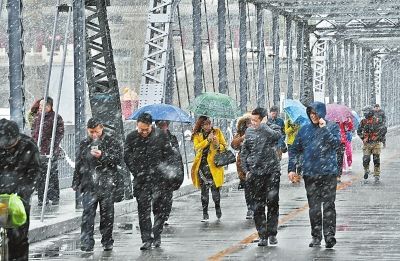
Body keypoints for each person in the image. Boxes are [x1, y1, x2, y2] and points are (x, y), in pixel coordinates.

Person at [288, 101, 340, 249]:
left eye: (316, 113)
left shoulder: (332, 127)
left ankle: (329, 236)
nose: (313, 116)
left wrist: (324, 130)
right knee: (314, 207)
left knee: (329, 205)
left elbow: (336, 145)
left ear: (322, 113)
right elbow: (294, 149)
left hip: (328, 173)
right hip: (311, 174)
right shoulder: (304, 130)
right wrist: (292, 168)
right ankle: (316, 236)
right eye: (310, 113)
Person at [124, 113, 175, 250]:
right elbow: (127, 156)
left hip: (159, 180)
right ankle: (146, 239)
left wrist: (165, 171)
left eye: (146, 129)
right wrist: (136, 170)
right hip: (141, 179)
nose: (144, 132)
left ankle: (157, 234)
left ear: (151, 126)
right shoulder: (131, 137)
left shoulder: (161, 136)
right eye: (141, 130)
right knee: (143, 210)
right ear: (137, 126)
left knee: (160, 209)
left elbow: (169, 156)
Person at [72, 118, 122, 252]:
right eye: (91, 132)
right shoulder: (84, 143)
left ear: (101, 129)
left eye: (96, 131)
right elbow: (79, 163)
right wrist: (76, 181)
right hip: (89, 183)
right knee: (87, 214)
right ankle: (87, 242)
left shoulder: (111, 142)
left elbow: (117, 159)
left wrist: (103, 156)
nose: (94, 134)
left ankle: (107, 240)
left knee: (107, 215)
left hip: (106, 183)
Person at [240, 107, 281, 247]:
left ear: (263, 119)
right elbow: (244, 151)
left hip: (272, 172)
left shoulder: (272, 128)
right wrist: (246, 170)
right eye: (252, 120)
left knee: (273, 203)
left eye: (256, 120)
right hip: (256, 173)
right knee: (258, 205)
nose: (253, 123)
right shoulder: (249, 131)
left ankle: (272, 233)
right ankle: (262, 235)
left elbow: (277, 137)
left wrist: (264, 126)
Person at [0, 118, 41, 260]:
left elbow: (34, 172)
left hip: (19, 198)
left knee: (19, 236)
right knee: (3, 232)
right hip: (1, 196)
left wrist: (22, 192)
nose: (7, 146)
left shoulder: (28, 146)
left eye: (10, 143)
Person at [191, 116, 227, 222]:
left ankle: (217, 206)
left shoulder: (217, 132)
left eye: (209, 124)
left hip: (214, 166)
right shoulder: (197, 135)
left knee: (215, 190)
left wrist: (217, 144)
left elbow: (224, 146)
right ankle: (205, 213)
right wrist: (208, 140)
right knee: (204, 192)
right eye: (205, 124)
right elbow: (197, 147)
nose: (208, 126)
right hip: (202, 166)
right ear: (201, 125)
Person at [31, 97, 64, 206]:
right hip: (39, 151)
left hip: (51, 151)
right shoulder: (37, 118)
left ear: (49, 106)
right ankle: (42, 198)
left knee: (52, 174)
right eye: (40, 105)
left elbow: (60, 133)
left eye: (43, 105)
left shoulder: (56, 118)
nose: (40, 107)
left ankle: (53, 196)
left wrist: (52, 144)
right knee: (41, 175)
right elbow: (33, 132)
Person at [155, 120, 184, 226]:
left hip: (169, 172)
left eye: (165, 125)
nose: (163, 127)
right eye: (161, 125)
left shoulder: (172, 138)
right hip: (157, 172)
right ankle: (158, 215)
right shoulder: (153, 138)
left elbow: (176, 154)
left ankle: (165, 215)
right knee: (157, 196)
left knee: (167, 196)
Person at [231, 114, 252, 219]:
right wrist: (242, 139)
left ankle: (256, 206)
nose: (249, 125)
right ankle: (250, 208)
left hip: (255, 162)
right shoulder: (240, 134)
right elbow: (234, 144)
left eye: (250, 123)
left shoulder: (256, 132)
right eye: (247, 123)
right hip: (243, 163)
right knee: (247, 187)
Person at [357, 106, 386, 182]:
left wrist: (377, 137)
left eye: (366, 112)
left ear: (370, 112)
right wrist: (363, 138)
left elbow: (384, 129)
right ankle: (366, 170)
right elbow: (358, 131)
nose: (365, 114)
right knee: (365, 159)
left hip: (376, 143)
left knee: (376, 159)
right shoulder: (363, 121)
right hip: (367, 144)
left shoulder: (377, 121)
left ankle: (376, 174)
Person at [284, 118, 302, 183]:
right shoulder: (288, 121)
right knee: (292, 159)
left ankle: (299, 175)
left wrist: (298, 129)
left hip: (299, 143)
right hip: (291, 143)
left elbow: (301, 131)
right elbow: (286, 132)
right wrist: (292, 127)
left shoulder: (300, 121)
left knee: (300, 159)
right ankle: (292, 176)